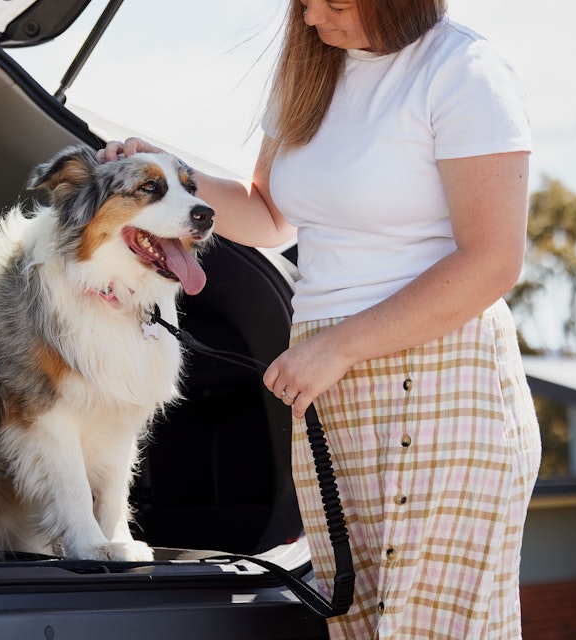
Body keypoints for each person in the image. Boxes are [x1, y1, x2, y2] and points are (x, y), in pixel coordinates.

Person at [102, 0, 540, 637]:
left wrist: (338, 346)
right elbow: (265, 215)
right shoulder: (310, 74)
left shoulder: (464, 71)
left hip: (443, 378)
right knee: (357, 622)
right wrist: (171, 175)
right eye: (302, 1)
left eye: (332, 2)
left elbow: (493, 262)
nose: (309, 19)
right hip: (331, 384)